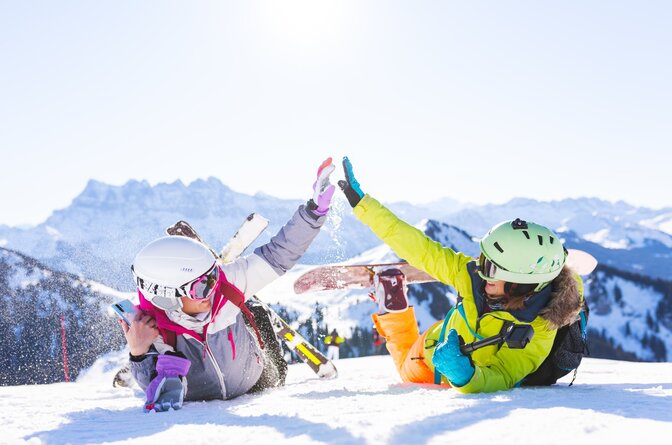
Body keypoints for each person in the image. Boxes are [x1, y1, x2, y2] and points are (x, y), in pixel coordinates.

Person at [337, 157, 585, 393]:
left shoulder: (541, 327)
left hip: (434, 369)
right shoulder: (473, 275)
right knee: (405, 360)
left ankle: (394, 310)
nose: (481, 271)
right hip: (435, 343)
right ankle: (394, 310)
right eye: (484, 260)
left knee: (404, 367)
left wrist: (466, 377)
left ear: (520, 285)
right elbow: (420, 249)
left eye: (491, 268)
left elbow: (504, 374)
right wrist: (362, 204)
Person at [121, 158, 336, 412]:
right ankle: (251, 308)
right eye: (201, 286)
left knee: (254, 322)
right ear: (169, 297)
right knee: (242, 306)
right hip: (202, 395)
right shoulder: (152, 331)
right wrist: (138, 352)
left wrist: (313, 213)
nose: (212, 289)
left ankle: (252, 311)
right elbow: (152, 388)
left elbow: (279, 253)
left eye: (213, 275)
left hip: (259, 379)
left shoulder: (225, 286)